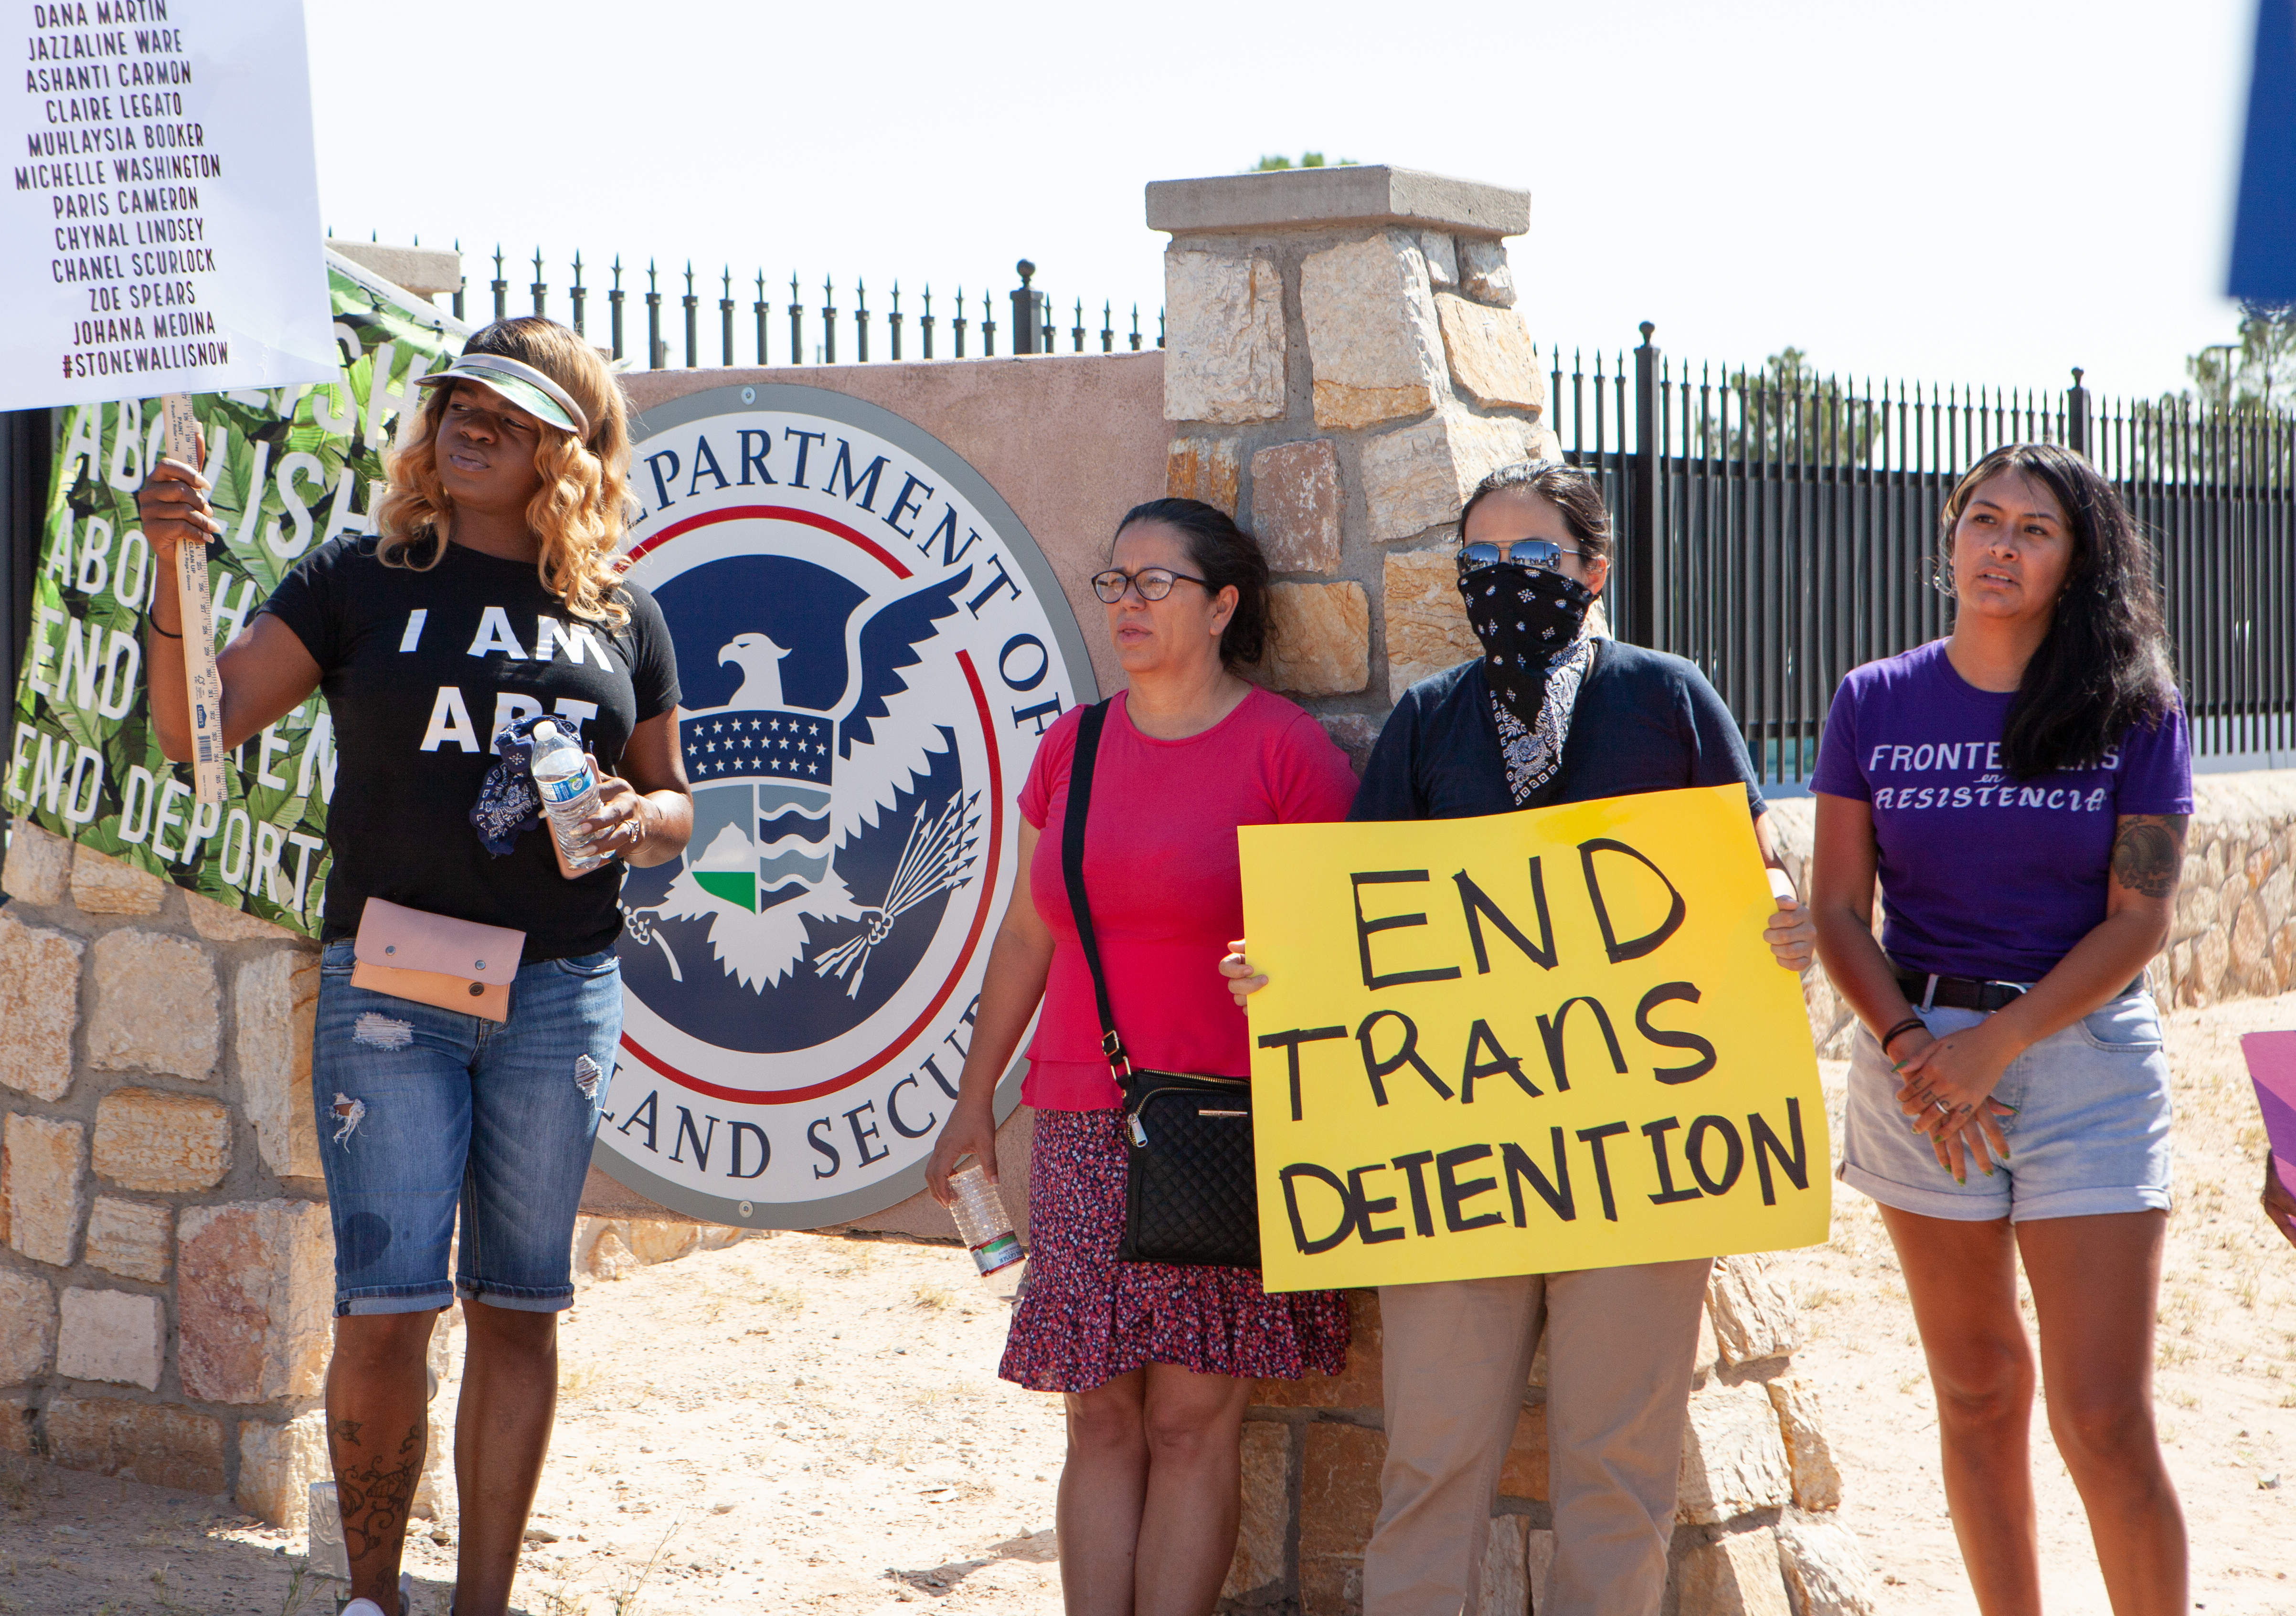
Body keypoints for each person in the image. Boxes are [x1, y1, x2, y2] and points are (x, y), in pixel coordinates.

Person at [136, 317, 693, 1616]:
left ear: (572, 442)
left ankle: (481, 1605)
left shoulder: (621, 612)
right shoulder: (361, 576)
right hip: (393, 991)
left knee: (519, 1308)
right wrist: (173, 568)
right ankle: (369, 1601)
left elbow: (679, 809)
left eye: (504, 408)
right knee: (386, 1309)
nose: (469, 422)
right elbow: (191, 730)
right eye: (456, 401)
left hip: (562, 994)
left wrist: (637, 819)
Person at [1223, 460, 1816, 1616]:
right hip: (1456, 1169)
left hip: (1641, 1165)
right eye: (1481, 560)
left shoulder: (1671, 699)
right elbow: (1363, 916)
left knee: (1619, 1472)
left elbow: (1754, 871)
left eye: (1533, 559)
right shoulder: (1431, 719)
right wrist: (1283, 976)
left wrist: (1783, 917)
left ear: (1594, 571)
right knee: (1429, 1467)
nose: (1504, 582)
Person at [925, 497, 1355, 1616]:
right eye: (1113, 581)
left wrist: (1289, 970)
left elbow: (1353, 950)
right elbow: (1028, 932)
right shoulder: (1073, 745)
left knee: (1188, 1419)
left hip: (1225, 1126)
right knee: (1098, 1411)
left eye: (1153, 583)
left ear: (1222, 607)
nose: (1124, 602)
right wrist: (977, 1101)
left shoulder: (1287, 755)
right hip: (1076, 1121)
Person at [1810, 442, 2193, 1616]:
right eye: (1985, 519)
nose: (2003, 547)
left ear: (2076, 562)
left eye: (2035, 530)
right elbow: (1835, 909)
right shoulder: (1875, 700)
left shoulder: (2137, 710)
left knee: (2102, 1417)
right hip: (1917, 1067)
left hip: (2082, 1067)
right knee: (1975, 1390)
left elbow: (2141, 923)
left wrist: (2001, 1044)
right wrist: (1915, 1049)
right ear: (1950, 535)